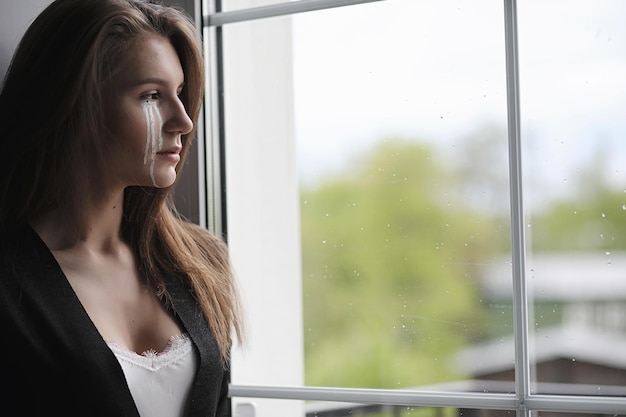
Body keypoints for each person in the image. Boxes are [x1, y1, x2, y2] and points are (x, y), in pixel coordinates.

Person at [0, 0, 243, 416]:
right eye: (151, 95)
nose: (184, 121)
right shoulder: (11, 282)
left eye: (180, 93)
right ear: (73, 104)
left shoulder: (201, 261)